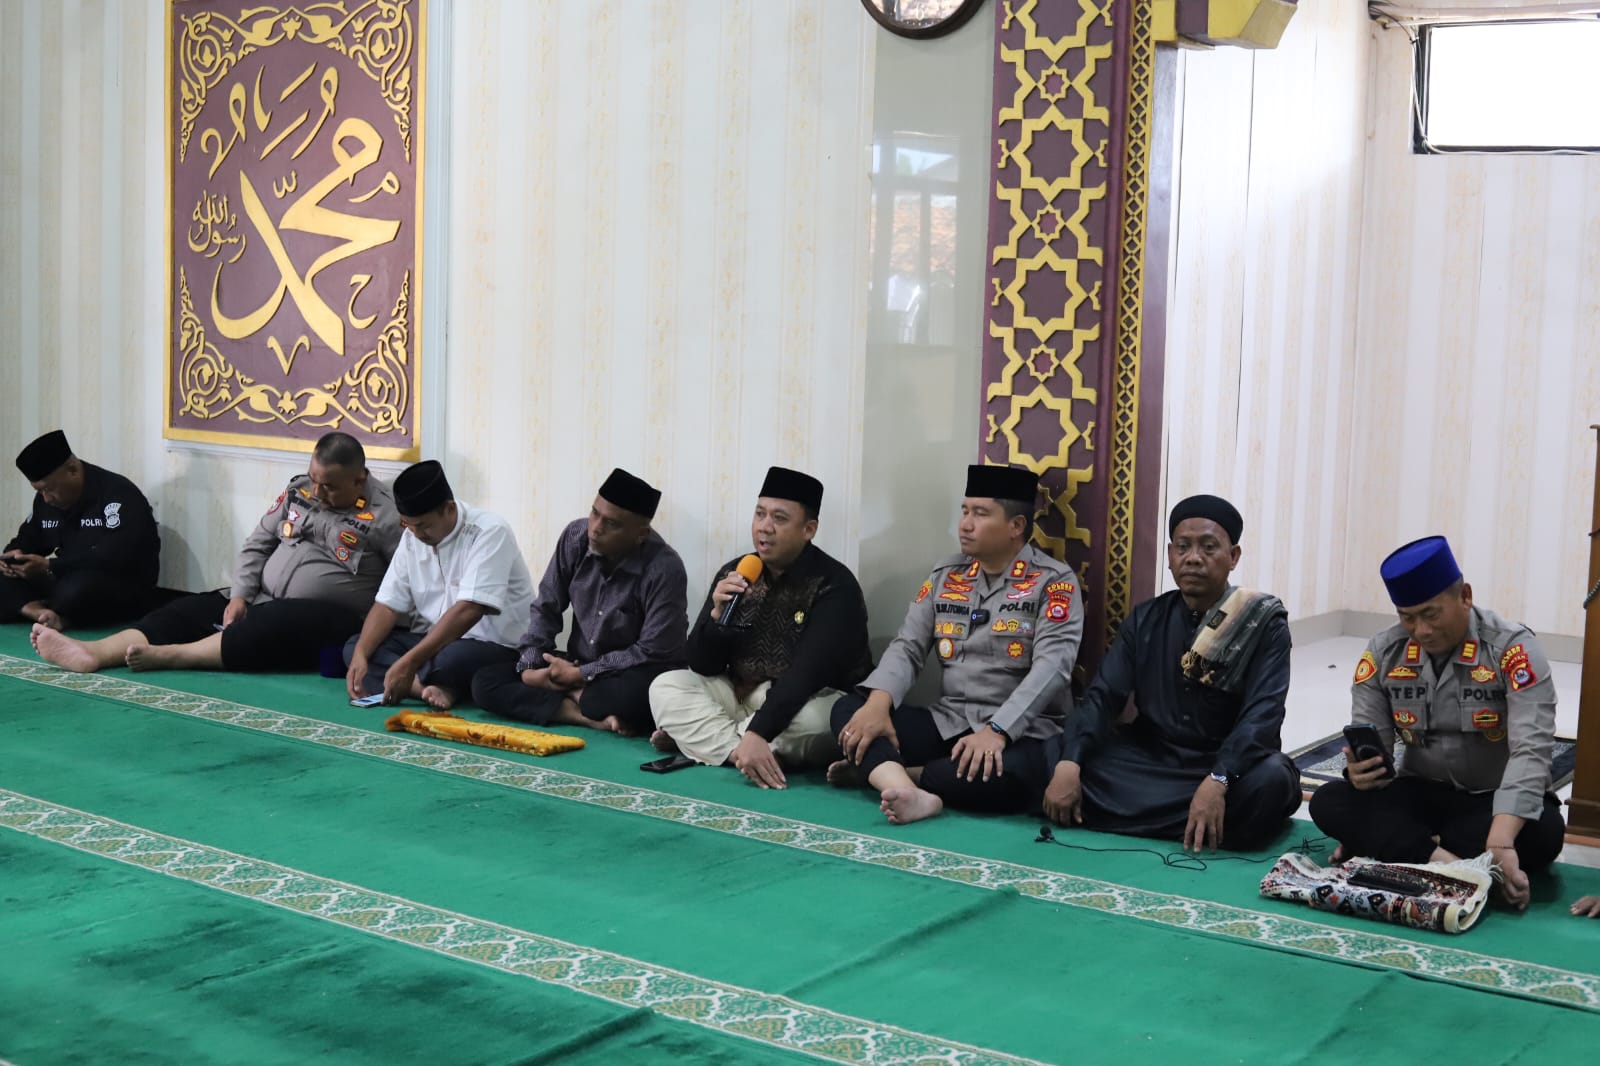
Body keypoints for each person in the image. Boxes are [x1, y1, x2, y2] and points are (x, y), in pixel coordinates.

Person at [1308, 536, 1564, 911]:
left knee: (1545, 833)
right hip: (1420, 794)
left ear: (1465, 597)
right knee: (1329, 802)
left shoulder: (1512, 650)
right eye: (1407, 617)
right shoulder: (1384, 652)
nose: (1421, 630)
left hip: (1493, 801)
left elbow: (1532, 750)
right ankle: (1454, 869)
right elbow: (1373, 753)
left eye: (1431, 614)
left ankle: (1405, 851)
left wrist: (1501, 841)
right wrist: (1360, 775)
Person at [1041, 494, 1299, 851]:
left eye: (1209, 547)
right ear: (1170, 554)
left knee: (1273, 782)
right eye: (1183, 547)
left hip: (1225, 764)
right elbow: (1104, 696)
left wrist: (1219, 779)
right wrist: (1070, 762)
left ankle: (1144, 815)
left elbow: (1263, 715)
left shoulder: (1263, 623)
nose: (1193, 558)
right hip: (1151, 758)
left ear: (1233, 556)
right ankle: (1202, 825)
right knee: (1055, 754)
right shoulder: (1145, 618)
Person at [828, 465, 1083, 825]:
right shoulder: (947, 575)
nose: (965, 524)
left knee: (1004, 777)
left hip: (1022, 733)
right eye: (964, 511)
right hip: (949, 721)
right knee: (849, 710)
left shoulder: (1054, 582)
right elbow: (907, 648)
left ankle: (892, 774)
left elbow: (1052, 669)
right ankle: (906, 788)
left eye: (980, 514)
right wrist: (878, 704)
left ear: (1016, 526)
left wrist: (997, 731)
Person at [33, 432, 400, 674]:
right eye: (314, 480)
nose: (317, 493)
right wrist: (240, 595)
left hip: (333, 618)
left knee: (267, 624)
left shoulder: (387, 516)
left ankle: (174, 657)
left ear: (359, 479)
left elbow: (403, 584)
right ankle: (96, 653)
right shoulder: (300, 490)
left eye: (329, 487)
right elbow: (259, 543)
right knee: (187, 610)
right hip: (264, 598)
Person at [649, 466, 872, 788]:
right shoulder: (737, 570)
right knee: (666, 685)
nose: (764, 527)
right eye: (759, 514)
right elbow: (700, 664)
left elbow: (806, 675)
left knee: (819, 721)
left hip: (807, 699)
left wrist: (759, 730)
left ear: (808, 529)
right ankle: (743, 751)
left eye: (779, 518)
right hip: (738, 696)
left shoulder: (834, 586)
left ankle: (712, 743)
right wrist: (717, 617)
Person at [471, 468, 688, 735]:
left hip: (631, 672)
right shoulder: (576, 536)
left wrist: (580, 675)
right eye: (595, 513)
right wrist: (531, 666)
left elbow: (652, 651)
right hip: (577, 663)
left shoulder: (664, 568)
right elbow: (546, 607)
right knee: (484, 682)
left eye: (611, 524)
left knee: (634, 698)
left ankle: (575, 695)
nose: (595, 529)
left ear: (640, 534)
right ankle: (587, 716)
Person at [345, 460, 534, 710]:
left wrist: (409, 662)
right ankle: (423, 687)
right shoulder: (412, 537)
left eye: (423, 525)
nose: (416, 534)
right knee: (356, 646)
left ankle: (413, 679)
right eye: (408, 525)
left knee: (450, 660)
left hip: (496, 646)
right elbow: (387, 605)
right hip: (438, 641)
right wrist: (360, 655)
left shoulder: (489, 531)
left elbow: (469, 610)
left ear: (449, 508)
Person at [2, 429, 160, 630]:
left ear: (73, 471)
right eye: (39, 491)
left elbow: (115, 556)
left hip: (117, 583)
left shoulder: (118, 493)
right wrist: (12, 557)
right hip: (63, 577)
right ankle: (38, 612)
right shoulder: (46, 501)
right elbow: (29, 537)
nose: (46, 498)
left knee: (75, 591)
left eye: (49, 489)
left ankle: (47, 610)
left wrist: (51, 566)